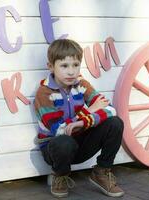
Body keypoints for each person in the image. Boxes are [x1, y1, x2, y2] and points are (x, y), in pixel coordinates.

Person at [34, 38, 124, 198]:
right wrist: (90, 111)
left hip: (80, 143)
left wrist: (83, 120)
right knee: (64, 141)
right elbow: (60, 130)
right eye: (64, 66)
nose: (71, 72)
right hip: (55, 149)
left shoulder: (81, 85)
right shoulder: (44, 93)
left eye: (75, 65)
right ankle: (59, 175)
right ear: (51, 67)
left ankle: (101, 172)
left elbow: (110, 109)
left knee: (115, 123)